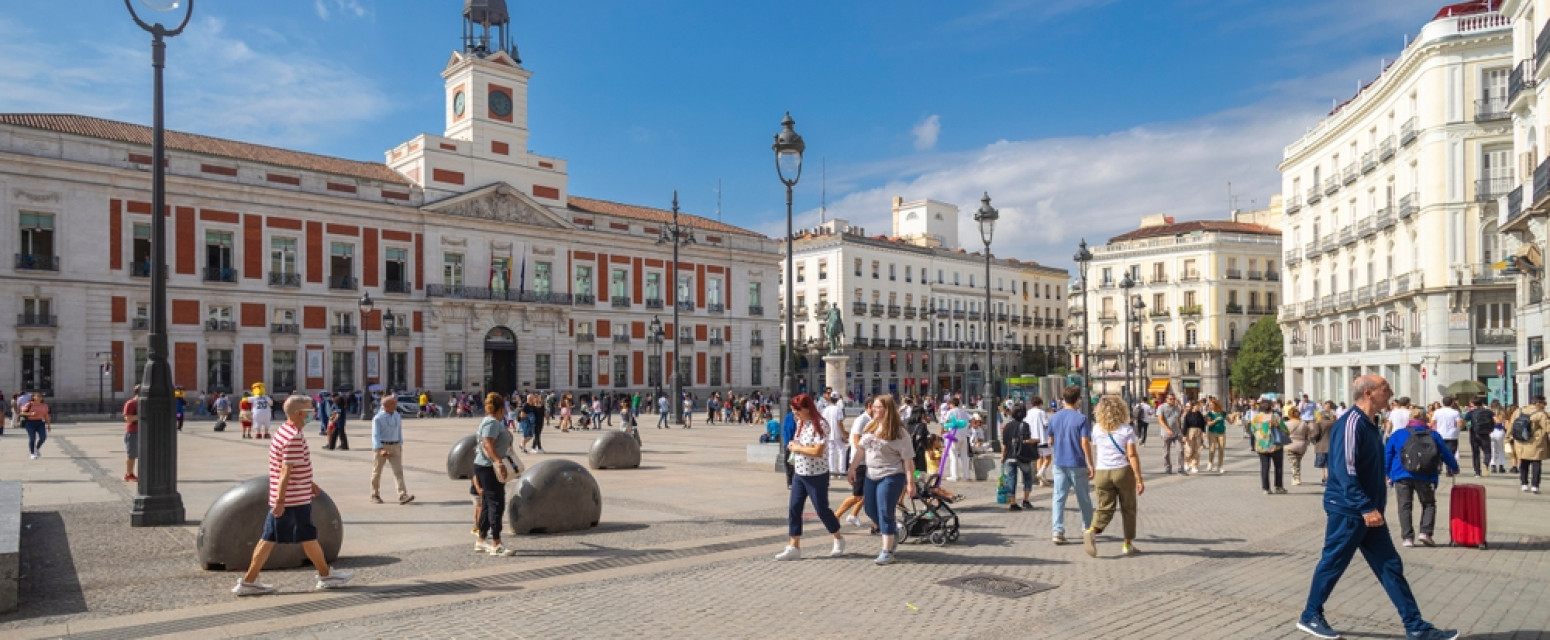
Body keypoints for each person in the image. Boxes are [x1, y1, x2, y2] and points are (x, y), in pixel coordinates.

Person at [1297, 375, 1458, 640]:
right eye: (1386, 388)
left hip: (1369, 511)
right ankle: (1310, 615)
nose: (1391, 392)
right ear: (1369, 393)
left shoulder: (1371, 423)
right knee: (1333, 562)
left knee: (1390, 566)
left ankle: (1415, 626)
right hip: (1350, 510)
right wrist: (1364, 507)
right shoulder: (1351, 423)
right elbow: (1345, 471)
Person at [231, 395, 354, 596]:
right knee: (297, 538)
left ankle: (250, 581)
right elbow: (285, 471)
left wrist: (309, 483)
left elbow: (290, 466)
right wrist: (280, 501)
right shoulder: (294, 437)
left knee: (281, 538)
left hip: (290, 496)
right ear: (298, 413)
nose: (313, 413)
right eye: (309, 411)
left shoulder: (283, 430)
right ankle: (324, 576)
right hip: (292, 500)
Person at [773, 394, 846, 560]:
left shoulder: (820, 424)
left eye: (797, 410)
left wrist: (798, 448)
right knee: (794, 508)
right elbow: (801, 444)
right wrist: (794, 445)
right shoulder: (801, 423)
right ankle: (794, 546)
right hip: (800, 473)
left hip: (817, 474)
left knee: (822, 510)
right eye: (793, 410)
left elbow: (817, 451)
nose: (795, 413)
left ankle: (838, 538)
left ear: (807, 408)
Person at [847, 395, 915, 565]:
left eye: (879, 407)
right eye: (874, 407)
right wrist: (852, 468)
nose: (875, 410)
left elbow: (908, 459)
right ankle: (892, 531)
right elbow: (861, 450)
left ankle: (887, 550)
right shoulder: (871, 427)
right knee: (870, 509)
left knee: (885, 510)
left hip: (891, 475)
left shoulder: (899, 433)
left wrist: (910, 482)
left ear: (888, 410)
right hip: (871, 474)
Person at [1385, 407, 1459, 548]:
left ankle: (1407, 538)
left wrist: (1387, 473)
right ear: (1425, 420)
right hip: (1427, 474)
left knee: (1404, 505)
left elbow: (1388, 454)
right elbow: (1445, 453)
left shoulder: (1399, 434)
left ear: (1409, 420)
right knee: (1428, 504)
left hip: (1401, 474)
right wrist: (1454, 467)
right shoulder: (1434, 435)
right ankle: (1425, 533)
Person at [1085, 395, 1144, 557]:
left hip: (1102, 472)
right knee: (1128, 508)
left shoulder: (1096, 429)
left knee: (1104, 507)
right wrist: (1139, 478)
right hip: (1122, 471)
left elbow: (1098, 449)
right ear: (1121, 410)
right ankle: (1127, 543)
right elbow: (1131, 455)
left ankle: (1092, 530)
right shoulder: (1126, 430)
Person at [1047, 386, 1095, 545]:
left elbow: (1050, 440)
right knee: (1084, 499)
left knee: (1058, 497)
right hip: (1077, 462)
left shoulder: (1054, 418)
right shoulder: (1081, 419)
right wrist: (1091, 463)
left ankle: (1057, 530)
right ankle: (1087, 528)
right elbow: (1084, 442)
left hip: (1060, 462)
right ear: (1077, 399)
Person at [473, 392, 518, 556]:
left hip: (484, 466)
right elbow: (487, 444)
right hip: (489, 467)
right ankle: (496, 543)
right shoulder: (491, 422)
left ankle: (481, 539)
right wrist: (498, 462)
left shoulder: (492, 422)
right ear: (500, 409)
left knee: (487, 503)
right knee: (496, 503)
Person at [836, 398, 878, 528]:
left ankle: (854, 515)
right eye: (877, 406)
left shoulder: (872, 420)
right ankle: (835, 516)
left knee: (868, 493)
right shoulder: (862, 420)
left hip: (868, 462)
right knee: (857, 495)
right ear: (870, 406)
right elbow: (856, 440)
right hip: (860, 462)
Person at [370, 395, 414, 505]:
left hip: (395, 446)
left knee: (398, 471)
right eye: (393, 403)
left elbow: (399, 431)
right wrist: (380, 448)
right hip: (382, 446)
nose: (395, 405)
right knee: (377, 471)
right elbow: (375, 435)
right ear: (385, 406)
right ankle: (375, 494)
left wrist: (400, 444)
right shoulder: (378, 418)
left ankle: (402, 495)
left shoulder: (397, 415)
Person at [1252, 399, 1287, 495]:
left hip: (1261, 445)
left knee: (1264, 466)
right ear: (1271, 406)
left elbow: (1252, 429)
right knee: (1278, 466)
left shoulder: (1256, 418)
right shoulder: (1275, 417)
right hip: (1274, 444)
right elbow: (1284, 429)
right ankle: (1278, 487)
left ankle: (1266, 488)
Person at [1516, 396, 1549, 493]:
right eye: (1544, 403)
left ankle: (1524, 483)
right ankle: (1535, 485)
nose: (1544, 406)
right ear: (1538, 403)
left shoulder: (1519, 411)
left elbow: (1511, 427)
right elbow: (1548, 428)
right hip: (1536, 442)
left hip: (1521, 441)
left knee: (1523, 463)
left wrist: (1508, 439)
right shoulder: (1540, 414)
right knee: (1536, 463)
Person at [1156, 394, 1184, 475]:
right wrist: (1167, 429)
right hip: (1166, 433)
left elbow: (1179, 420)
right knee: (1166, 452)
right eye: (1170, 399)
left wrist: (1181, 433)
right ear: (1166, 399)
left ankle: (1180, 468)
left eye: (1173, 399)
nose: (1172, 400)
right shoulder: (1161, 407)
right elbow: (1160, 420)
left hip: (1177, 433)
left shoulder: (1177, 408)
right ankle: (1168, 467)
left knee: (1180, 450)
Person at [1465, 398, 1494, 477]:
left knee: (1475, 453)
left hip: (1474, 434)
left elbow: (1465, 421)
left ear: (1473, 404)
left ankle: (1477, 472)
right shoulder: (1488, 412)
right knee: (1487, 452)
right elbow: (1496, 420)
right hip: (1485, 434)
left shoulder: (1471, 412)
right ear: (1482, 403)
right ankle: (1485, 463)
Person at [820, 393, 848, 474]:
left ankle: (832, 470)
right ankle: (842, 470)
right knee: (842, 451)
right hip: (837, 433)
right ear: (837, 400)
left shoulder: (826, 409)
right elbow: (840, 423)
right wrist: (844, 434)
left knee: (831, 451)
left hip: (828, 433)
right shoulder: (838, 409)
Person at [1287, 405, 1315, 485]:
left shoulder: (1287, 424)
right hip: (1302, 445)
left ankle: (1296, 478)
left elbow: (1284, 434)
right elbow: (1308, 434)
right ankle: (1296, 477)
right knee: (1297, 461)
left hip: (1290, 444)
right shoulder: (1304, 424)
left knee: (1293, 462)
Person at [20, 393, 51, 459]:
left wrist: (48, 425)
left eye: (41, 396)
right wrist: (30, 414)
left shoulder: (44, 405)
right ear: (33, 397)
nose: (40, 397)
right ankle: (32, 453)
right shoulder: (29, 404)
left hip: (40, 422)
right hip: (30, 423)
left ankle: (36, 448)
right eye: (38, 396)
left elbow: (46, 415)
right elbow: (22, 412)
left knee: (43, 437)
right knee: (32, 438)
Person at [1182, 400, 1206, 474]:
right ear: (1193, 406)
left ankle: (1194, 465)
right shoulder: (1188, 414)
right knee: (1189, 450)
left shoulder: (1200, 414)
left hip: (1198, 432)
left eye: (1199, 405)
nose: (1198, 407)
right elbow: (1185, 425)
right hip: (1190, 432)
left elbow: (1203, 424)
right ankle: (1186, 462)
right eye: (1197, 405)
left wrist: (1204, 432)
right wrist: (1184, 435)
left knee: (1197, 450)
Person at [1205, 398, 1228, 474]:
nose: (1210, 406)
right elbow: (1209, 424)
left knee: (1221, 450)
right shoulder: (1210, 413)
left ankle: (1220, 466)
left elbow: (1230, 420)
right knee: (1212, 449)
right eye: (1209, 405)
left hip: (1222, 433)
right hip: (1212, 432)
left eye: (1211, 405)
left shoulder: (1222, 413)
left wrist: (1234, 417)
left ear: (1216, 404)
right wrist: (1216, 420)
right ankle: (1210, 463)